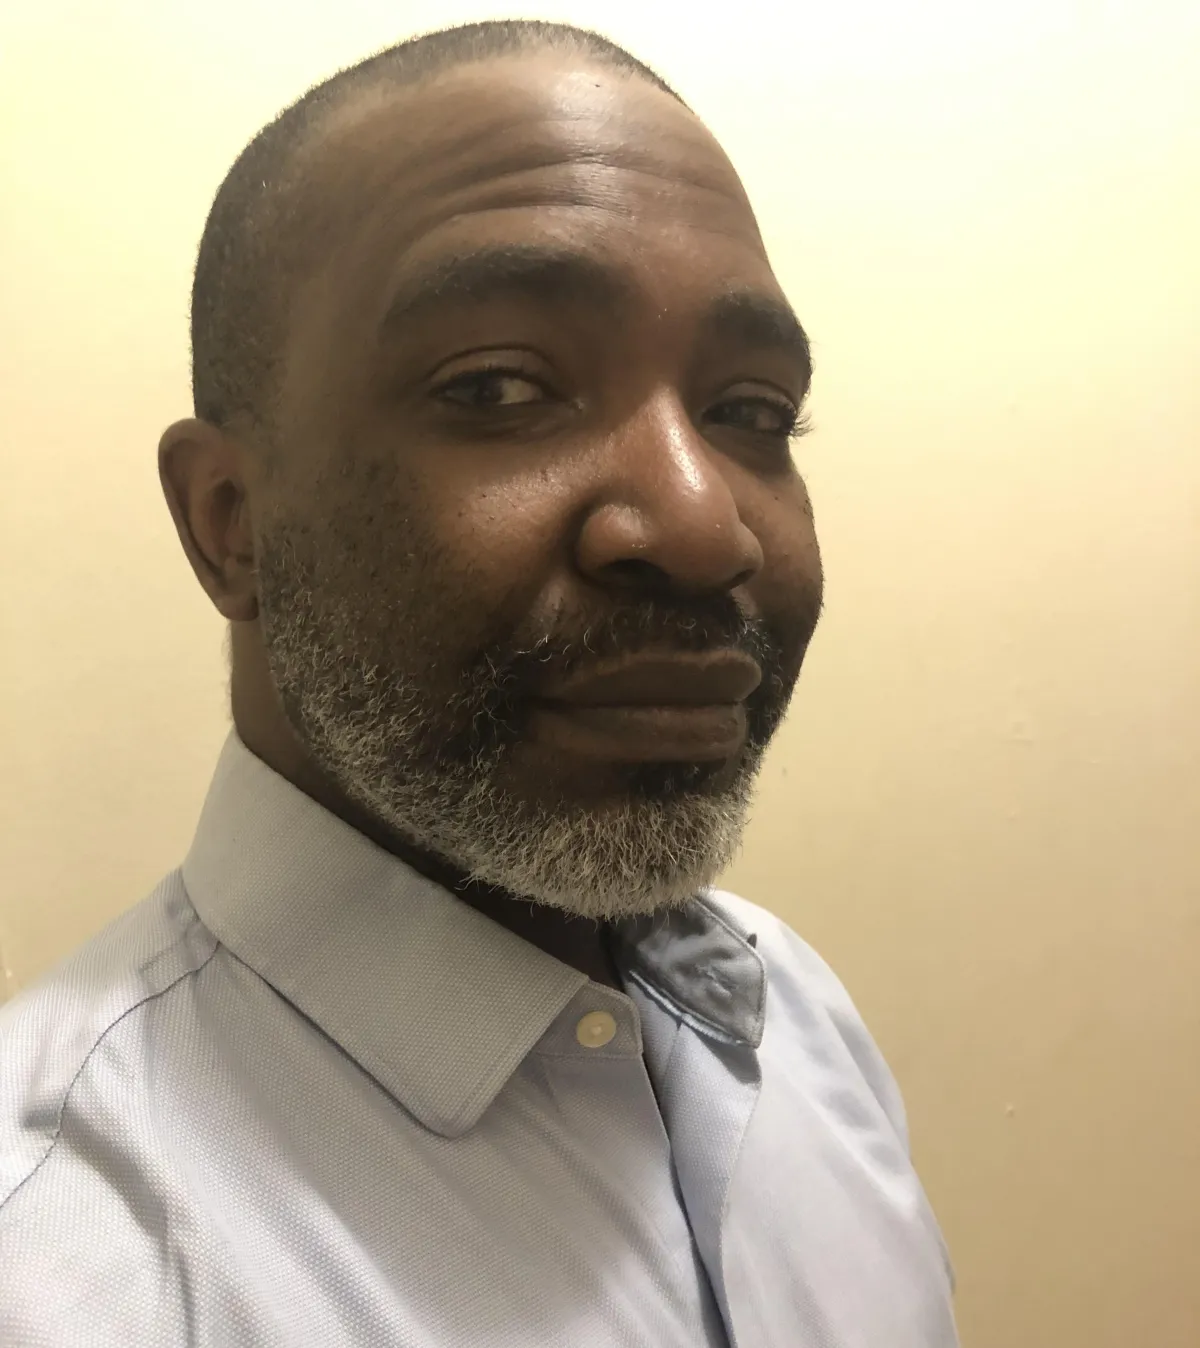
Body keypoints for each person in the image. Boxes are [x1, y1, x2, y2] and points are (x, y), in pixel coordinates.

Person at [0, 19, 958, 1347]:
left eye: (752, 413)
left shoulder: (794, 1015)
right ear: (232, 523)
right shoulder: (52, 1259)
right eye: (501, 387)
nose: (703, 526)